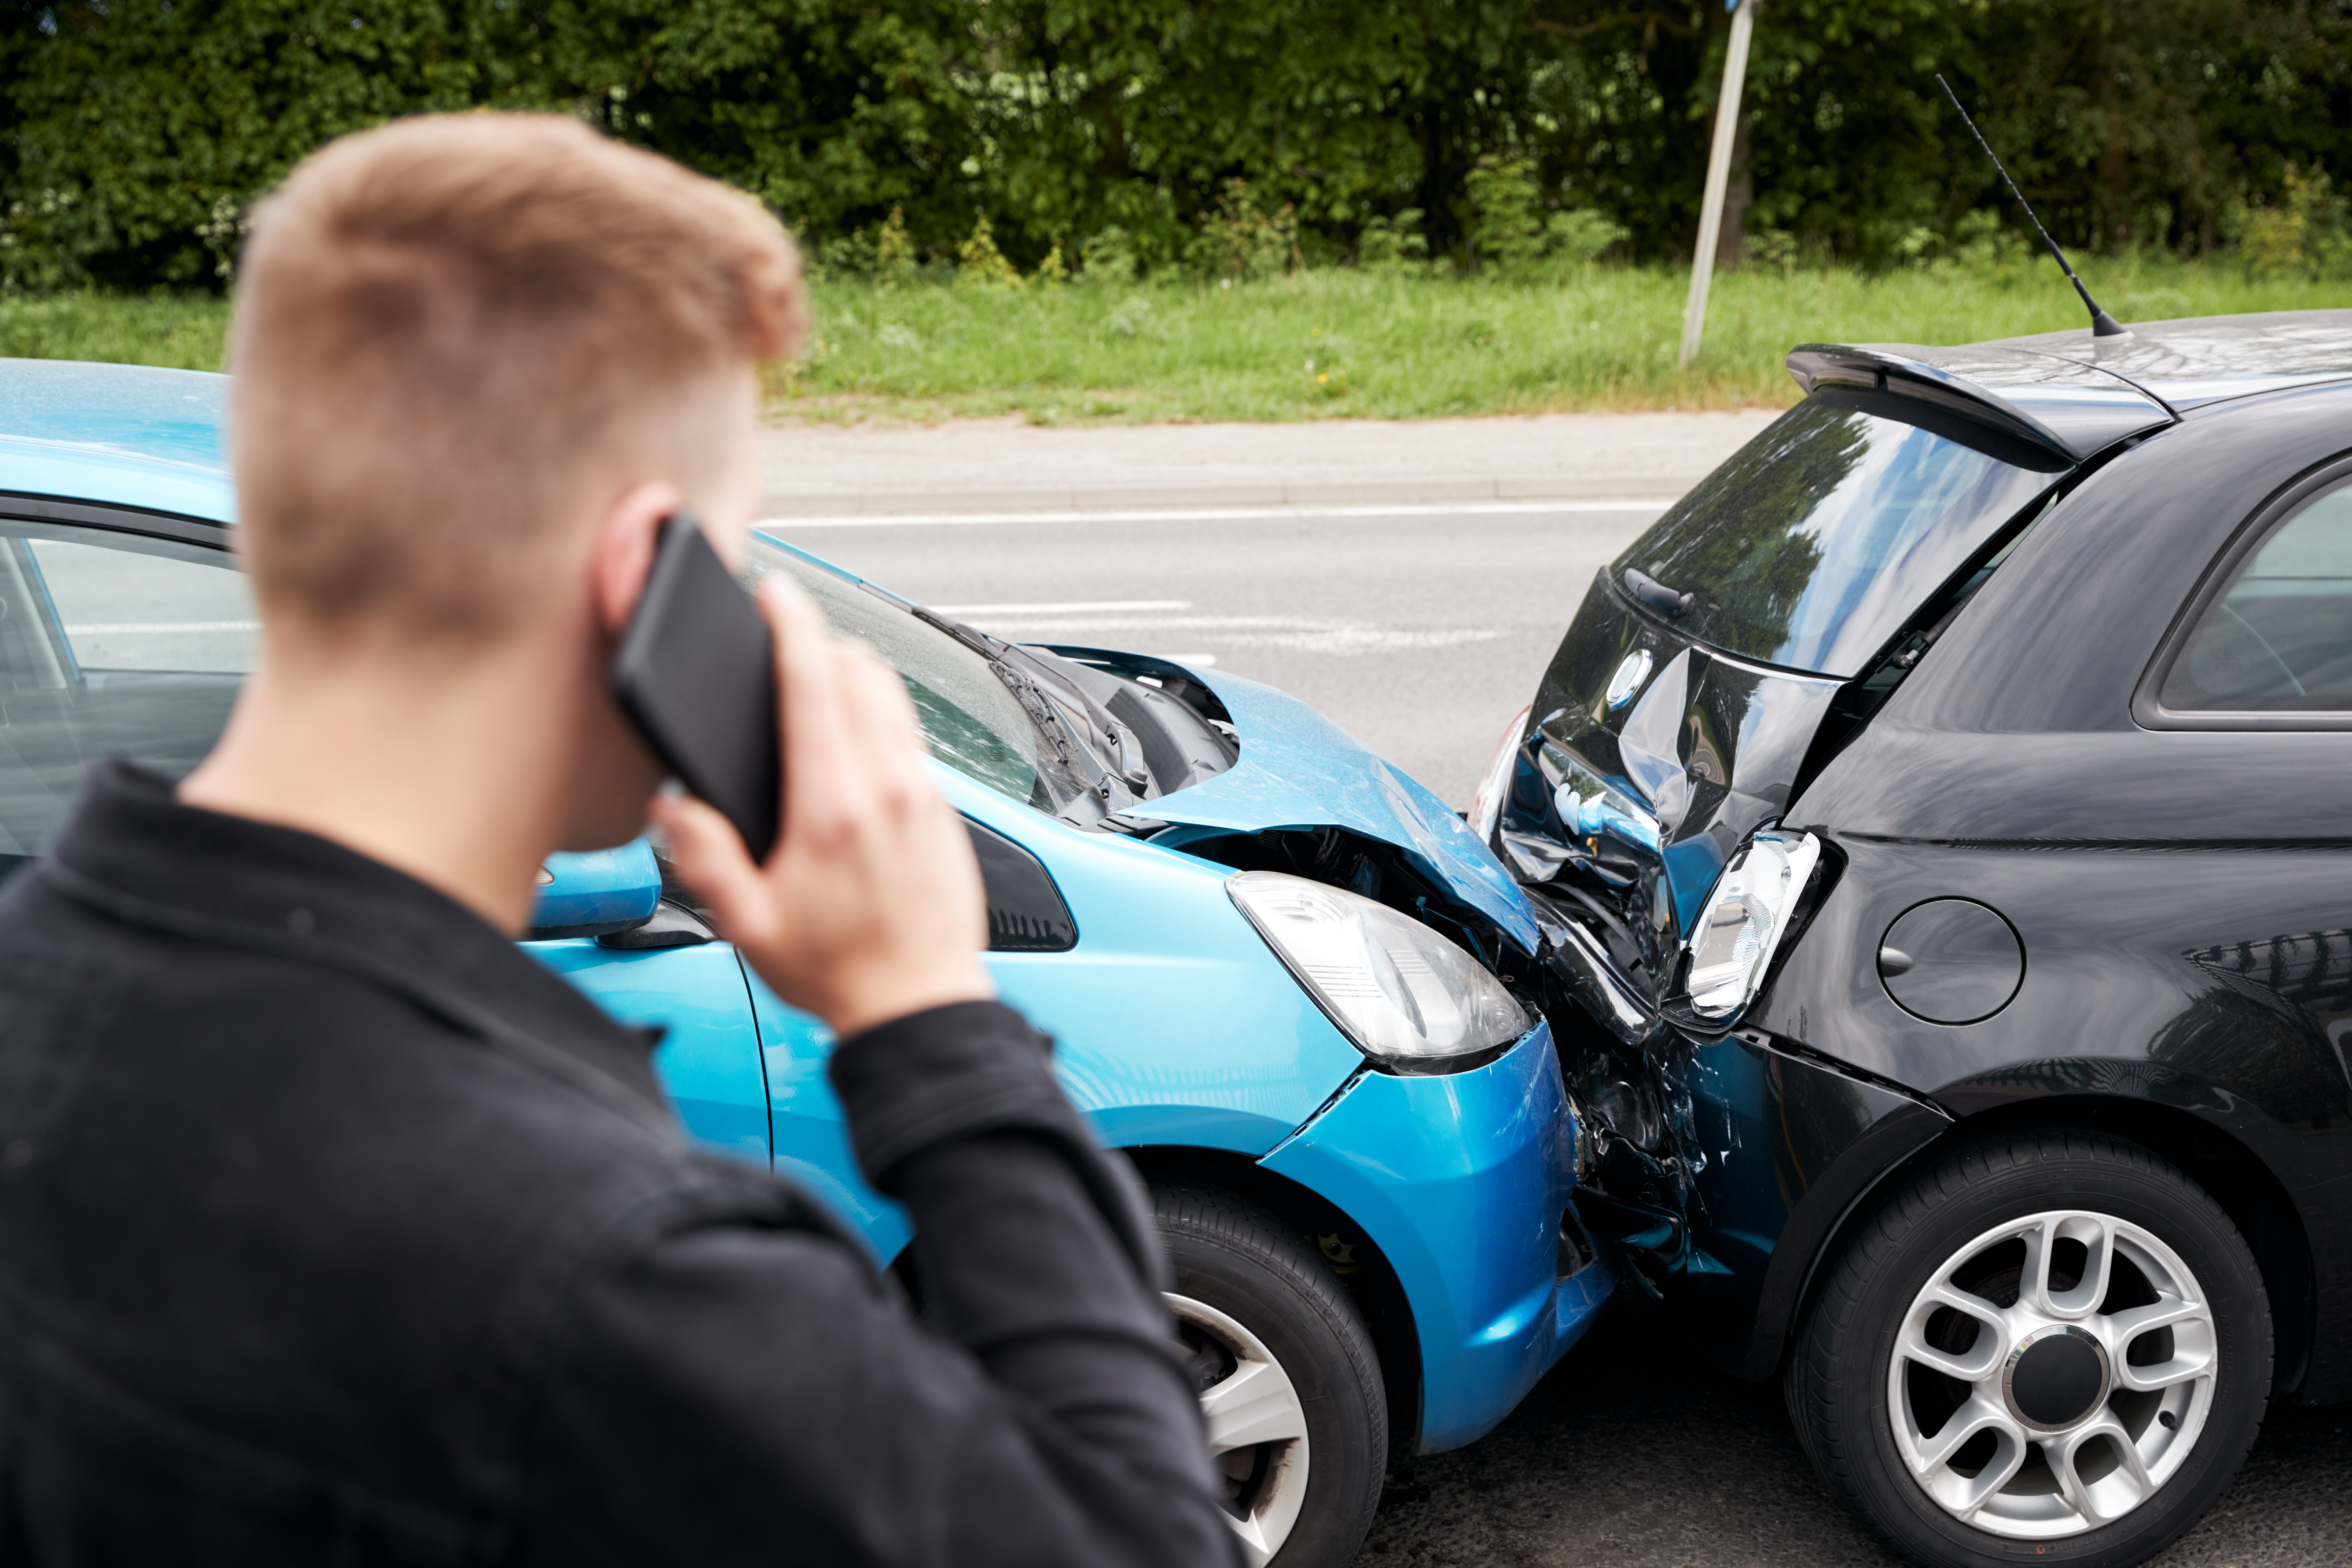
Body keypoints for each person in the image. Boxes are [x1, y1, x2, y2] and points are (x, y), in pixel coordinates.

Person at [0, 114, 1238, 1566]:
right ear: (635, 574)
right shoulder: (602, 1266)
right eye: (732, 547)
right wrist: (925, 1014)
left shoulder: (46, 989)